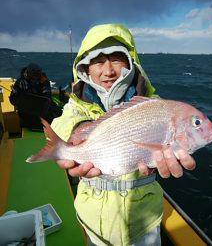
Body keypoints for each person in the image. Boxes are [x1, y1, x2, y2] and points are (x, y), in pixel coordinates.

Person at [51, 24, 196, 245]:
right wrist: (78, 129)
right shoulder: (77, 102)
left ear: (131, 63)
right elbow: (63, 121)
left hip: (143, 222)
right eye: (98, 61)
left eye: (116, 59)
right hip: (92, 220)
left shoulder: (153, 104)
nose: (108, 70)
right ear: (85, 68)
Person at [9, 63, 62, 129]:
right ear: (29, 73)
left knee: (60, 114)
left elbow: (47, 97)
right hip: (28, 111)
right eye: (35, 74)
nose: (36, 76)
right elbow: (13, 99)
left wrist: (45, 84)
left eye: (38, 74)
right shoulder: (21, 82)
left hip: (42, 108)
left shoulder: (42, 80)